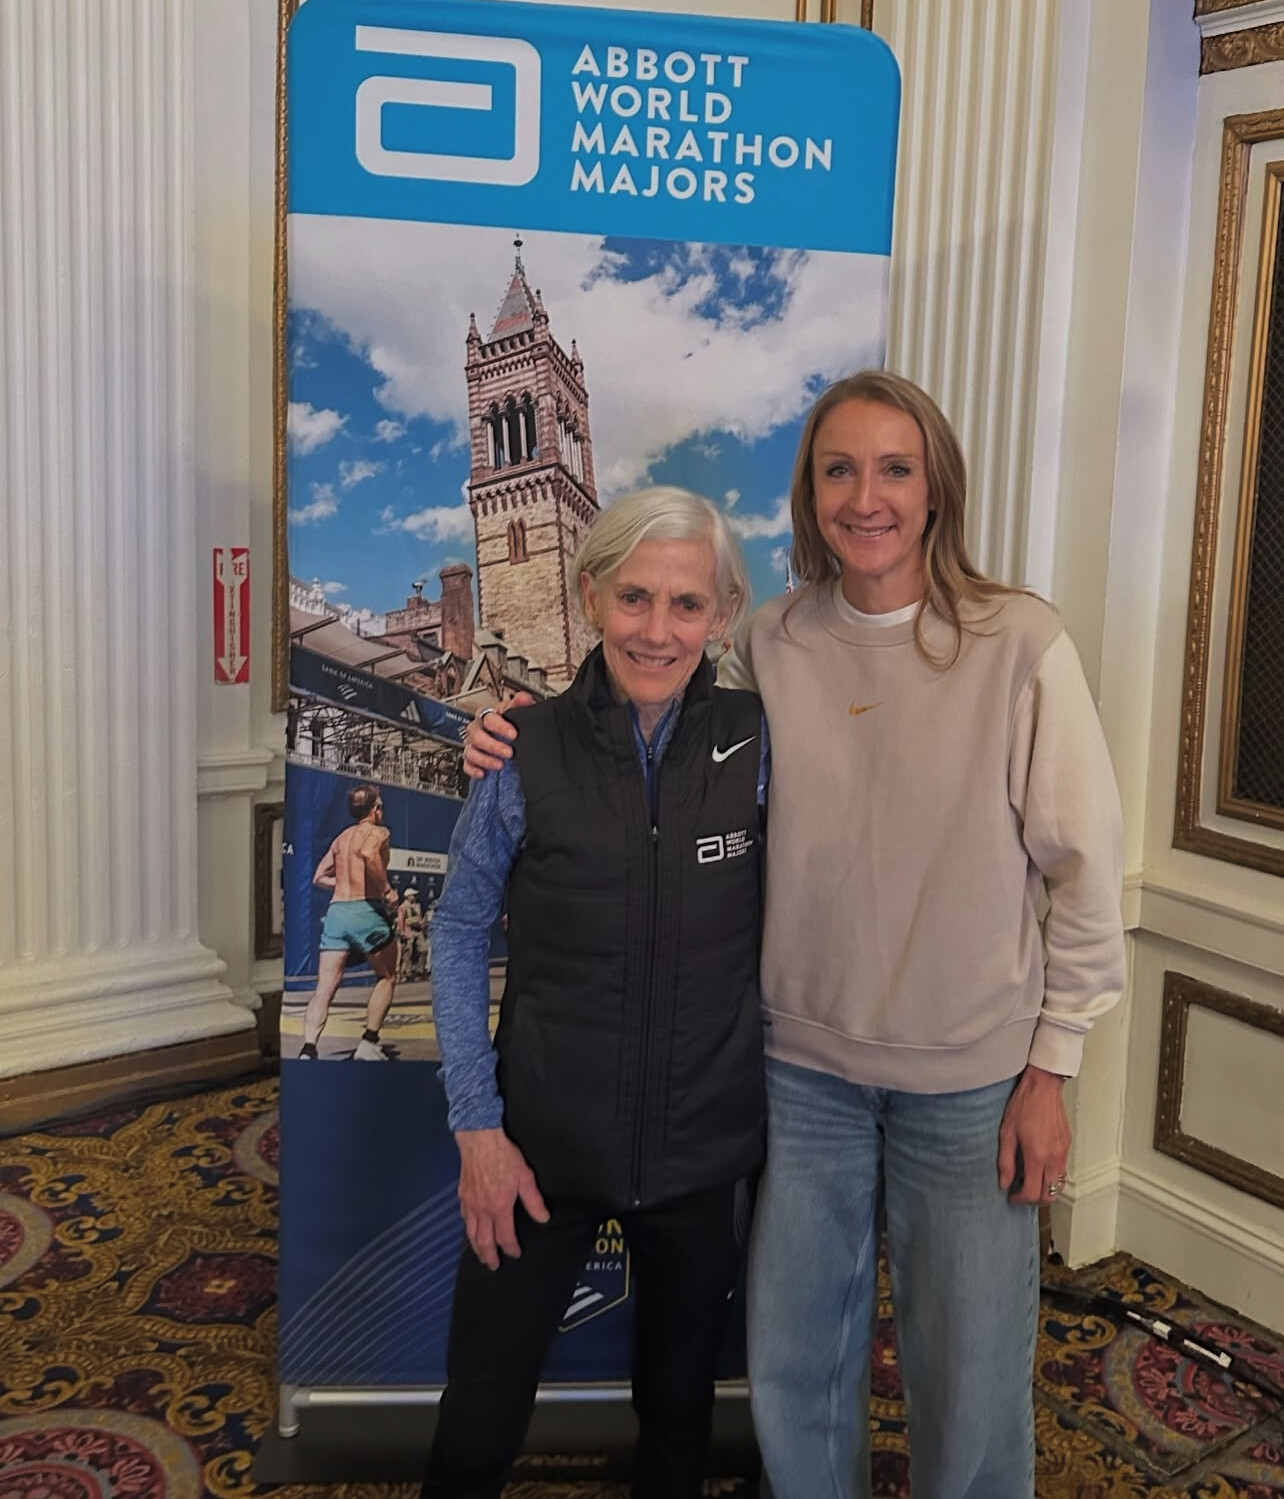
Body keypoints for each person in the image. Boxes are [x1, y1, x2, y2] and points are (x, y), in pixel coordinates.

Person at [464, 372, 1126, 1499]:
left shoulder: (1021, 639)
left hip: (969, 1079)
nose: (866, 497)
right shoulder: (768, 641)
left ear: (935, 488)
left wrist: (1053, 1067)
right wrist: (510, 736)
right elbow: (653, 725)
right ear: (810, 493)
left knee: (970, 1376)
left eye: (895, 469)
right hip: (800, 1077)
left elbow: (1087, 870)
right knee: (795, 1366)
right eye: (838, 470)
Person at [423, 486, 769, 1499]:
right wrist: (478, 1130)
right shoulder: (520, 748)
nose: (658, 630)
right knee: (478, 1418)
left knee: (680, 1413)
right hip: (536, 1152)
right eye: (633, 598)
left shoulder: (761, 742)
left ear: (723, 615)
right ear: (589, 596)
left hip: (703, 1152)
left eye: (687, 603)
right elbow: (456, 930)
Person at [299, 783, 400, 1062]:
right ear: (375, 809)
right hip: (365, 910)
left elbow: (319, 877)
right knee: (388, 976)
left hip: (337, 913)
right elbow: (368, 854)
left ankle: (308, 1049)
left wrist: (344, 881)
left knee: (324, 989)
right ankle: (368, 1042)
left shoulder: (341, 838)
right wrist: (387, 890)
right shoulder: (378, 832)